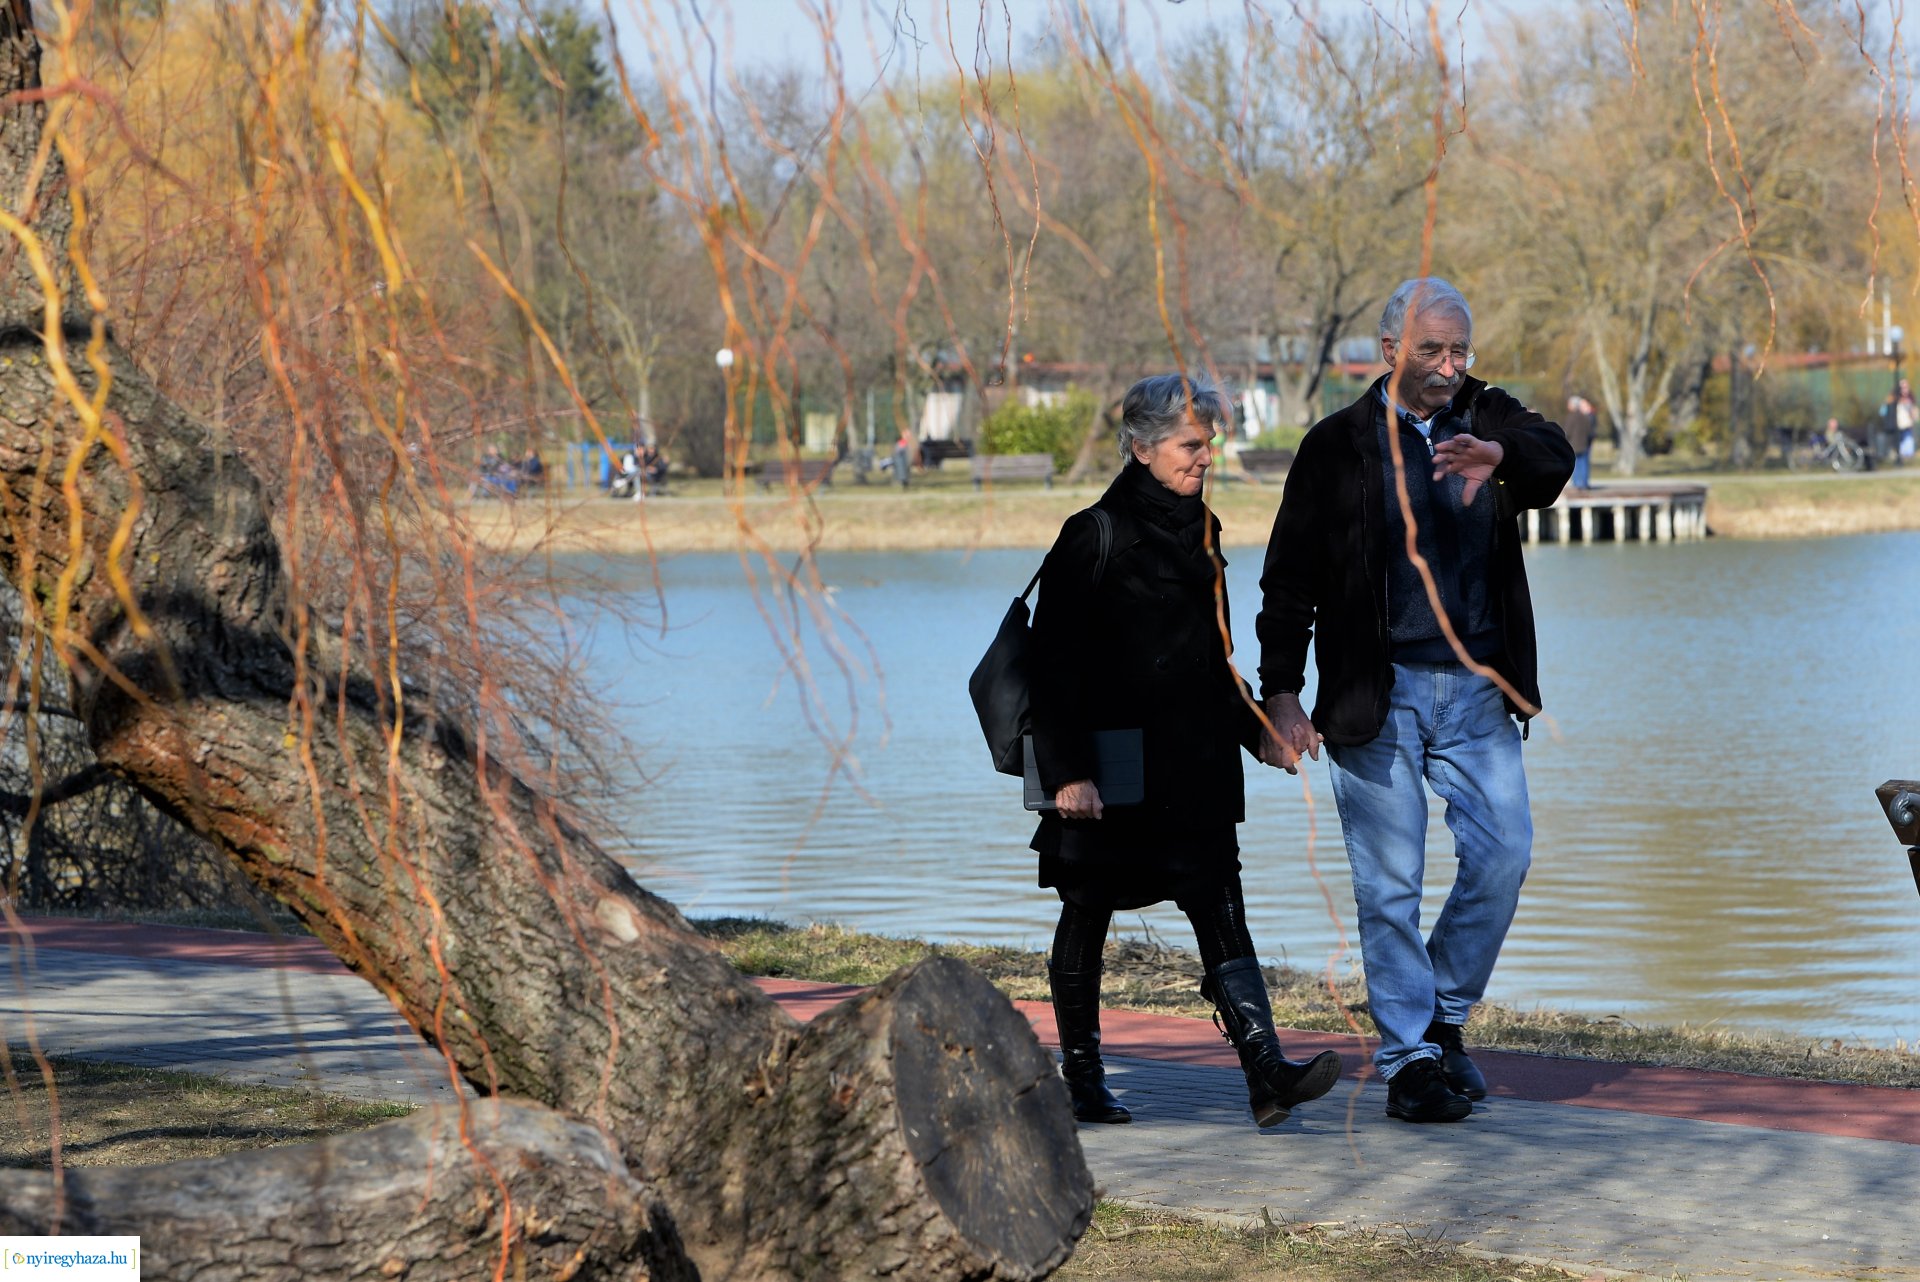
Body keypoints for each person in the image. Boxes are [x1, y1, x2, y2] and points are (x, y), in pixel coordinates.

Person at [1254, 278, 1572, 1124]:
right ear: (1389, 348)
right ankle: (1410, 1062)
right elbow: (1287, 582)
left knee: (1505, 854)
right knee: (1389, 887)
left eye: (1459, 350)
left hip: (1476, 690)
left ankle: (1442, 1016)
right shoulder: (1336, 445)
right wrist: (1280, 692)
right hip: (1375, 696)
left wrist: (1499, 458)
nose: (1447, 366)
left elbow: (1553, 458)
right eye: (1431, 350)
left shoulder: (1489, 415)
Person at [1028, 372, 1341, 1129]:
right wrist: (1066, 772)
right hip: (1108, 768)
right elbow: (1050, 667)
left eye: (1210, 443)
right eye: (1189, 444)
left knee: (1222, 909)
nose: (1205, 457)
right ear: (1141, 447)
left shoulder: (1206, 530)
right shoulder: (1091, 534)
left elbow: (1214, 658)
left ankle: (1268, 1075)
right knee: (1087, 913)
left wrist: (1261, 733)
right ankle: (1084, 1078)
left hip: (1194, 767)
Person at [1563, 394, 1597, 491]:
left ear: (1573, 405)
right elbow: (1590, 432)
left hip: (1573, 445)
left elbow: (1567, 432)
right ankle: (1584, 483)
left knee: (1576, 465)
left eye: (1569, 404)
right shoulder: (1585, 417)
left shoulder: (1571, 417)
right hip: (1584, 444)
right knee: (1584, 464)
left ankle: (1577, 484)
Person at [1896, 378, 1916, 464]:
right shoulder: (1896, 398)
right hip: (1899, 423)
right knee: (1901, 439)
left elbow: (1913, 410)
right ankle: (1902, 455)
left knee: (1908, 437)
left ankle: (1908, 455)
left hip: (1907, 423)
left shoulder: (1910, 398)